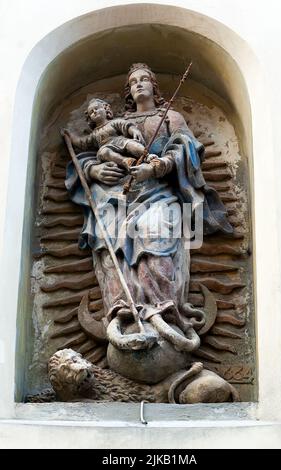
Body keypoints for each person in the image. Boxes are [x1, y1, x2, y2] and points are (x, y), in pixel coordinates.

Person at [65, 63, 233, 344]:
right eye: (133, 82)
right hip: (118, 195)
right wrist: (95, 170)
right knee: (110, 238)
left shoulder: (171, 118)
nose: (139, 84)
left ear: (155, 86)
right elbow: (92, 154)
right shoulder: (117, 123)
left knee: (153, 232)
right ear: (129, 91)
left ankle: (162, 309)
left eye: (145, 79)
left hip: (159, 192)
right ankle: (122, 309)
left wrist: (156, 168)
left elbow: (187, 151)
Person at [63, 97, 147, 172]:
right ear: (90, 118)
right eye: (91, 112)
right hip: (106, 147)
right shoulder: (94, 134)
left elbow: (125, 125)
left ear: (105, 109)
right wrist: (70, 136)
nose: (94, 112)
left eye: (96, 108)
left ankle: (148, 156)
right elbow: (82, 142)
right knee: (103, 153)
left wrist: (134, 131)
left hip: (121, 141)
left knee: (132, 145)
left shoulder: (114, 122)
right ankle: (126, 161)